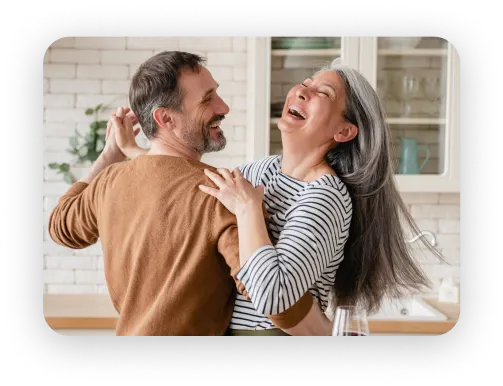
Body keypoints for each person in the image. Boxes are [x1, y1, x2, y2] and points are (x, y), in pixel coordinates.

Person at [113, 59, 442, 335]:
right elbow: (197, 188)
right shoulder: (262, 171)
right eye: (305, 84)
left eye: (322, 93)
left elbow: (274, 297)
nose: (301, 90)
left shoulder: (325, 197)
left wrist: (248, 210)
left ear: (343, 132)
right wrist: (137, 151)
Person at [48, 51, 330, 336]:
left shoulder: (110, 181)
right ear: (166, 119)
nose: (224, 107)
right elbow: (272, 300)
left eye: (216, 93)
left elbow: (61, 227)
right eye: (207, 100)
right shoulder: (221, 194)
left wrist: (109, 155)